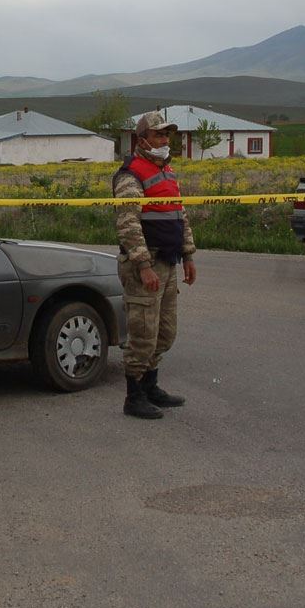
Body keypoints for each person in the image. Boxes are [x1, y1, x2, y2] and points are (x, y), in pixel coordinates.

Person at [112, 110, 197, 419]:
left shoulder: (167, 171)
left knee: (165, 333)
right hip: (144, 266)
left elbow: (180, 215)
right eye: (158, 134)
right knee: (143, 334)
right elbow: (128, 223)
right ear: (142, 139)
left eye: (166, 134)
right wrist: (144, 265)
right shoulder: (131, 174)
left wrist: (188, 255)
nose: (164, 139)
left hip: (169, 261)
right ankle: (133, 397)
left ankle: (151, 386)